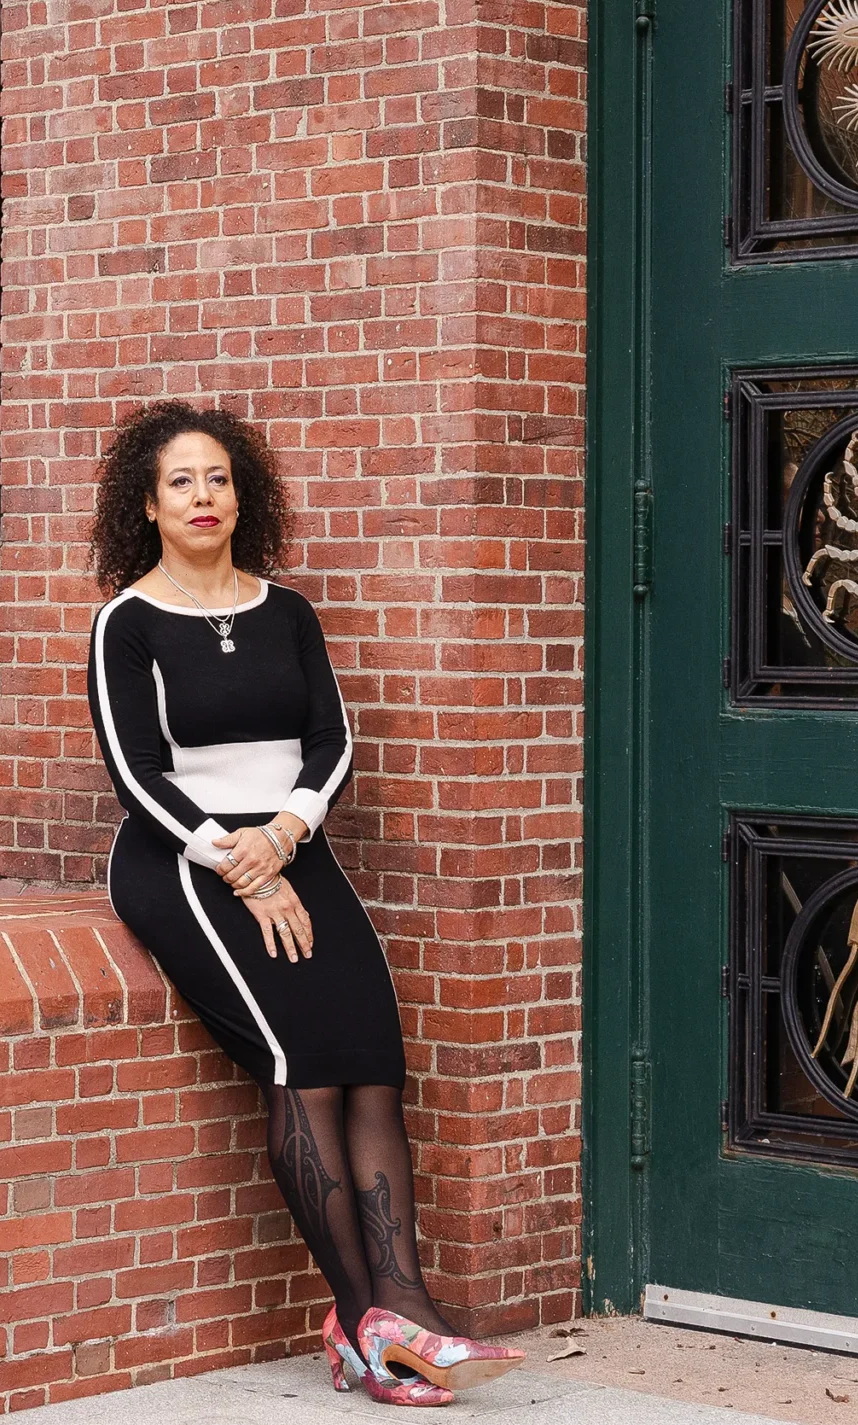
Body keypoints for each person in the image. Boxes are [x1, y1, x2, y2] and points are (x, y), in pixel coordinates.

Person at [84, 401, 527, 1406]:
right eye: (182, 483)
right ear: (147, 508)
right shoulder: (130, 621)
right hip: (181, 860)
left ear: (245, 498)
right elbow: (134, 772)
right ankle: (362, 1323)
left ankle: (403, 1307)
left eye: (219, 480)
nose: (205, 498)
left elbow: (333, 743)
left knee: (371, 1060)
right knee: (296, 1062)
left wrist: (285, 837)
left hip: (293, 846)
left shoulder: (286, 611)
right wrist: (238, 861)